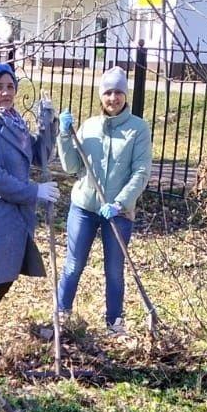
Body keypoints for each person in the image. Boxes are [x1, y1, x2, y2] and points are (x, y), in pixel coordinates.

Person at [0, 62, 57, 360]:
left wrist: (48, 121)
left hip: (14, 217)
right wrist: (33, 192)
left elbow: (39, 157)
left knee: (3, 278)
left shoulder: (15, 122)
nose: (4, 93)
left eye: (9, 87)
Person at [55, 66, 152, 334]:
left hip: (118, 212)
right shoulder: (89, 126)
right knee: (73, 265)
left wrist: (120, 203)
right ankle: (61, 314)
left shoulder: (138, 129)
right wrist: (64, 135)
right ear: (101, 95)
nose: (113, 98)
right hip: (84, 206)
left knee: (114, 269)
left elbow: (142, 171)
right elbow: (71, 167)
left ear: (125, 95)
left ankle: (114, 322)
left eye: (118, 92)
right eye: (108, 92)